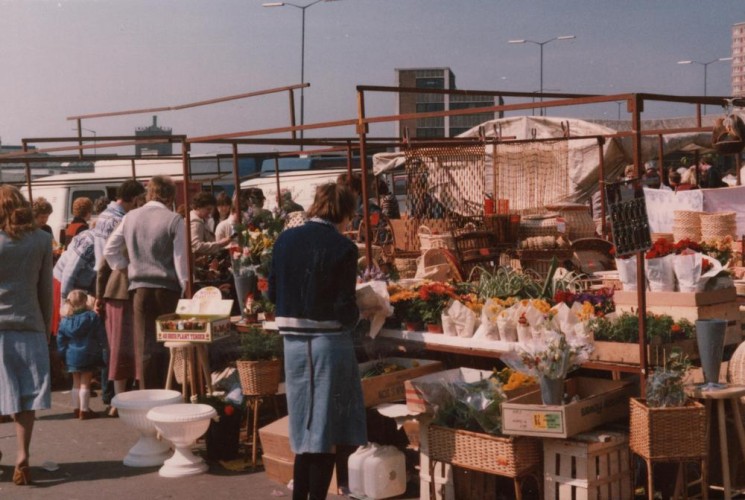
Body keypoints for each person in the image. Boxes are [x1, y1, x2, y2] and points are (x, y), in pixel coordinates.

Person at [269, 183, 367, 500]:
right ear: (345, 213)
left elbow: (272, 292)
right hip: (326, 340)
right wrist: (363, 312)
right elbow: (344, 306)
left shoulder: (284, 240)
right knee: (326, 429)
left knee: (304, 427)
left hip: (292, 342)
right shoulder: (342, 248)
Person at [104, 175, 188, 389]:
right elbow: (181, 261)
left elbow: (109, 249)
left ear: (150, 192)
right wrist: (186, 288)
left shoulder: (130, 217)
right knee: (170, 345)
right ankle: (169, 393)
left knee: (144, 347)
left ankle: (148, 395)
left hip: (139, 290)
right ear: (170, 196)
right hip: (167, 290)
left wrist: (125, 267)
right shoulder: (174, 220)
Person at [0, 185, 53, 486]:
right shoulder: (42, 240)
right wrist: (46, 328)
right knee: (26, 396)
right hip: (29, 323)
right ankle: (22, 455)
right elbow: (45, 289)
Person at [93, 179, 145, 412]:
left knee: (118, 347)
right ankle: (124, 399)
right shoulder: (124, 220)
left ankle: (119, 400)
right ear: (135, 198)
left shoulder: (106, 216)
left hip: (115, 290)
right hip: (126, 289)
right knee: (134, 346)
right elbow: (107, 258)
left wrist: (99, 295)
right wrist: (124, 267)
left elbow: (102, 265)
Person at [56, 290, 107, 420]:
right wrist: (104, 347)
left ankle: (76, 408)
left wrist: (62, 354)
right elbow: (100, 335)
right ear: (85, 301)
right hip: (88, 353)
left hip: (71, 355)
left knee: (75, 383)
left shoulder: (65, 321)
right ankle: (84, 410)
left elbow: (61, 340)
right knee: (86, 383)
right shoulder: (92, 317)